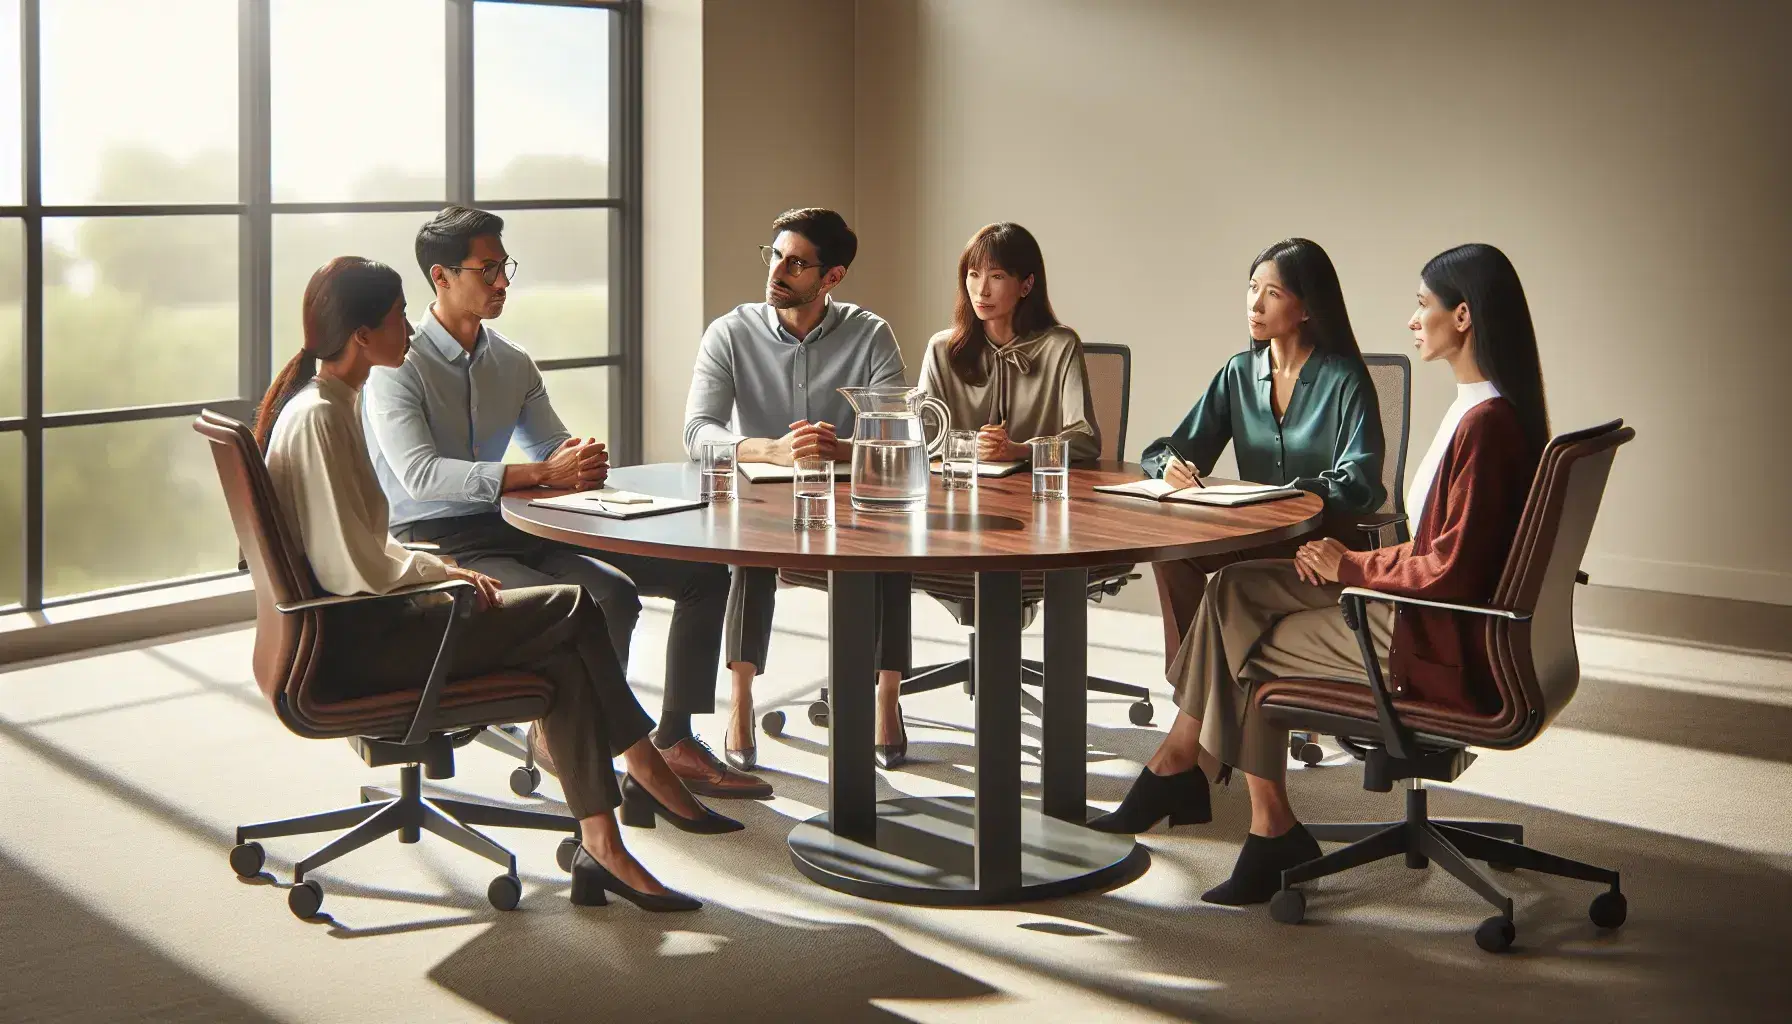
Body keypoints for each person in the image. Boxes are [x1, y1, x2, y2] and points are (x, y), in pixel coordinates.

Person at [258, 257, 744, 912]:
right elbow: (357, 567)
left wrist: (438, 568)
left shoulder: (329, 406)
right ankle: (648, 769)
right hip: (368, 645)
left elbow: (363, 546)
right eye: (399, 314)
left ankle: (605, 845)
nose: (409, 325)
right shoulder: (322, 418)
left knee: (569, 654)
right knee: (574, 605)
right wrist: (443, 572)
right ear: (363, 334)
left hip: (371, 623)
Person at [1091, 244, 1550, 910]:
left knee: (1235, 632)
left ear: (1465, 316)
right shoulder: (1482, 410)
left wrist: (1353, 564)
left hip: (1426, 635)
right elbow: (1447, 552)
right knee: (1228, 591)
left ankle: (1225, 795)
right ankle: (1205, 781)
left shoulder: (1484, 425)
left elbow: (1449, 565)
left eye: (1423, 305)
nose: (1413, 320)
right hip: (1415, 605)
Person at [362, 207, 770, 801]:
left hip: (519, 523)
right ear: (441, 277)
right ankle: (574, 735)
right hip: (438, 541)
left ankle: (672, 739)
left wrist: (576, 459)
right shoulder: (398, 366)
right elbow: (421, 476)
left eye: (506, 267)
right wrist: (540, 472)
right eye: (488, 269)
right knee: (605, 593)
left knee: (701, 572)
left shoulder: (513, 361)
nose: (503, 282)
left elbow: (551, 447)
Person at [681, 208, 906, 771]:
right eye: (775, 255)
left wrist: (844, 450)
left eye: (796, 263)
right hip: (765, 498)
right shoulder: (730, 333)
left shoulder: (871, 334)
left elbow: (901, 434)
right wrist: (770, 449)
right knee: (747, 553)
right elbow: (697, 432)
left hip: (852, 501)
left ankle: (887, 696)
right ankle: (740, 698)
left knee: (893, 548)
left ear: (831, 278)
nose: (778, 270)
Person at [872, 221, 1103, 765]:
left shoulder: (1059, 345)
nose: (980, 289)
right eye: (973, 275)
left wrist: (1021, 449)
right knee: (881, 556)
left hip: (1039, 516)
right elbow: (917, 434)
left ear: (1026, 284)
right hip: (953, 509)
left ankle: (1057, 740)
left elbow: (1087, 438)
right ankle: (887, 699)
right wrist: (968, 445)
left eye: (996, 276)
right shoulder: (943, 349)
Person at [1139, 238, 1386, 671]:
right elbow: (1165, 449)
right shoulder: (1238, 373)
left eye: (1273, 294)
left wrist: (1287, 496)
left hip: (1321, 545)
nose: (1256, 304)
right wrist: (1169, 466)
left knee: (1229, 583)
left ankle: (1200, 696)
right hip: (1255, 537)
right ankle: (1190, 682)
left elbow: (1360, 482)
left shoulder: (1345, 380)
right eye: (1253, 287)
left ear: (1307, 309)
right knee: (1172, 552)